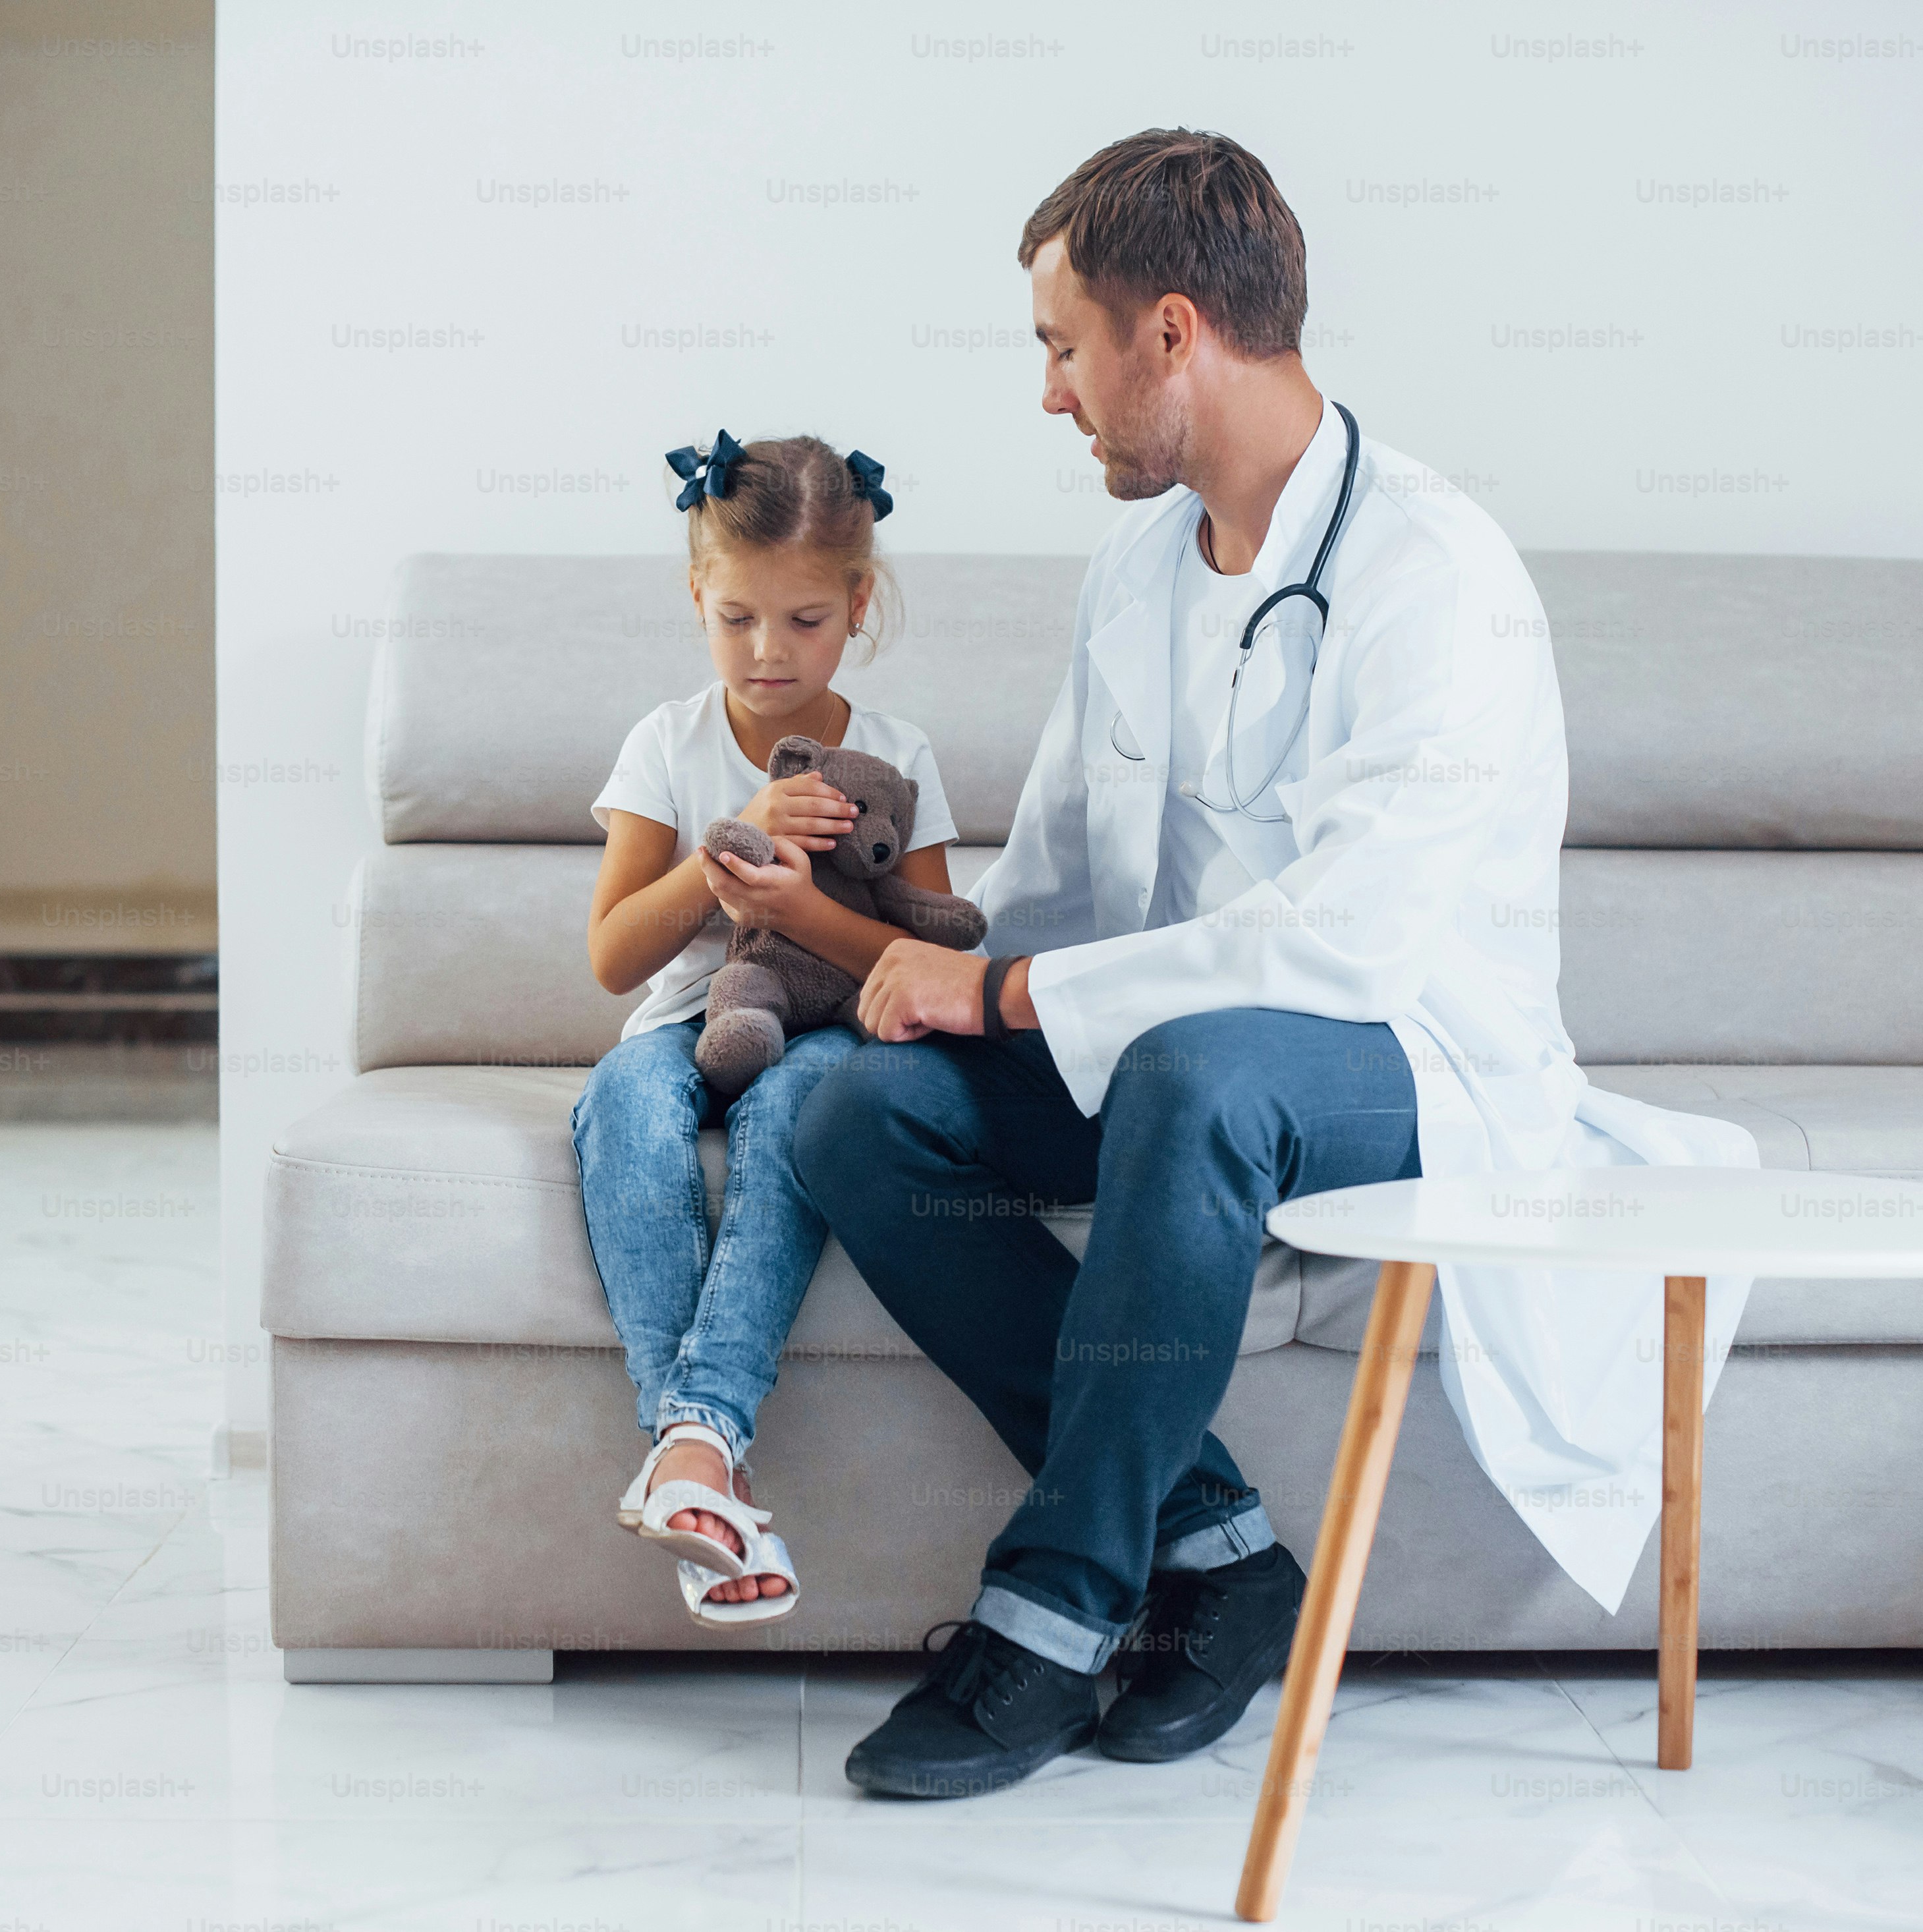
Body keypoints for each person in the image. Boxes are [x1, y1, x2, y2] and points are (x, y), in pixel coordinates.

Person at [794, 130, 1756, 1797]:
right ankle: (1227, 1563)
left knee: (1198, 1064)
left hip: (1400, 1057)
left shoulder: (1432, 571)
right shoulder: (1136, 566)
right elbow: (1063, 882)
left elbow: (1347, 937)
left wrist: (1014, 999)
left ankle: (1055, 1610)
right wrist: (886, 956)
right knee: (848, 1112)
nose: (1049, 395)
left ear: (1171, 333)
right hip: (1182, 1062)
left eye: (1059, 346)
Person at [574, 432, 960, 1626]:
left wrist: (801, 909)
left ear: (858, 607)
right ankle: (706, 1452)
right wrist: (726, 852)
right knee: (627, 1101)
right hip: (691, 1019)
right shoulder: (667, 743)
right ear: (698, 595)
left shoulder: (894, 757)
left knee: (807, 1107)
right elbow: (613, 959)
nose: (766, 653)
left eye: (803, 622)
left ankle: (692, 1451)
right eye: (737, 618)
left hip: (833, 1027)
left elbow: (936, 964)